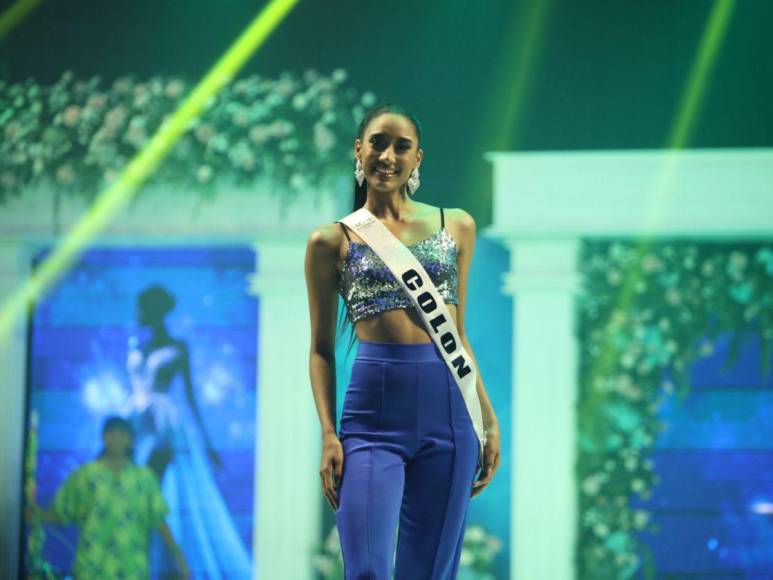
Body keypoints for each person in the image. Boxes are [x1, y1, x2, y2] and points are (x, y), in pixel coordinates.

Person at [304, 103, 501, 579]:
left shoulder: (456, 226)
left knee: (431, 572)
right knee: (368, 569)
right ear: (359, 149)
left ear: (418, 159)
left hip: (450, 413)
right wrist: (329, 434)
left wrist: (489, 421)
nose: (387, 155)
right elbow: (321, 351)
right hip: (373, 416)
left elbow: (459, 335)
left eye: (401, 146)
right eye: (377, 143)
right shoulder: (331, 241)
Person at [26, 416, 190, 579]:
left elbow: (158, 519)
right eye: (111, 432)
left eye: (122, 433)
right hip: (92, 568)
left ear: (130, 439)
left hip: (132, 569)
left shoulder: (144, 478)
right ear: (103, 437)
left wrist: (178, 556)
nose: (116, 437)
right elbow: (62, 512)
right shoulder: (85, 475)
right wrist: (37, 515)